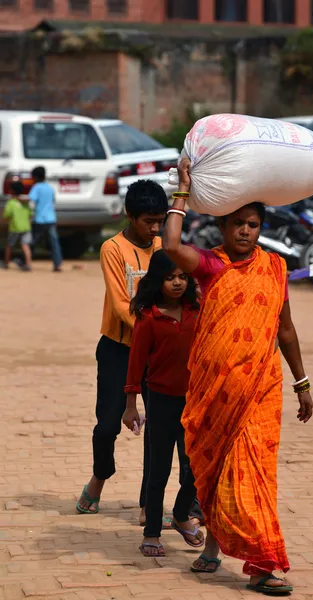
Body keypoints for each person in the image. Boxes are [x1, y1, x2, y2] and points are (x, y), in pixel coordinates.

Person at [162, 158, 313, 595]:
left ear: (260, 228)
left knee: (253, 474)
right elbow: (171, 244)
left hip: (260, 389)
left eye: (253, 224)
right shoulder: (212, 265)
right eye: (238, 224)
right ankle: (213, 547)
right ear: (224, 228)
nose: (246, 231)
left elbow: (285, 329)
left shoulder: (274, 269)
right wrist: (183, 190)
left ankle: (263, 564)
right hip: (216, 391)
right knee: (215, 471)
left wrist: (302, 382)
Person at [76, 180, 168, 516]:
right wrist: (157, 328)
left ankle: (149, 503)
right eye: (148, 221)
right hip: (118, 349)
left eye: (160, 220)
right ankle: (100, 476)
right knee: (107, 426)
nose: (154, 228)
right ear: (130, 215)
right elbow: (119, 304)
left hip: (157, 352)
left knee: (157, 427)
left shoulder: (164, 247)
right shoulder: (112, 249)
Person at [123, 249, 204, 557]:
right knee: (158, 470)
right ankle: (152, 532)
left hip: (194, 402)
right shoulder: (148, 318)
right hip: (159, 401)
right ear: (157, 281)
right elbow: (135, 363)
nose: (177, 283)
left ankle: (182, 515)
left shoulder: (198, 313)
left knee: (196, 465)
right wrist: (131, 404)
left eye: (183, 277)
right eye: (170, 278)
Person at [29, 166, 63, 272]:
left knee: (32, 241)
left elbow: (31, 203)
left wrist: (30, 215)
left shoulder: (36, 187)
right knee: (54, 242)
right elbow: (53, 202)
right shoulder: (49, 187)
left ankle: (26, 261)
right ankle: (57, 264)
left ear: (35, 177)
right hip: (51, 218)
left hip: (39, 219)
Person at [2, 180, 32, 271]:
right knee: (25, 245)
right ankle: (28, 264)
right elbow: (30, 214)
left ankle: (6, 263)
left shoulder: (10, 203)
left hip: (15, 227)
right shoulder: (25, 203)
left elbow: (6, 215)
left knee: (9, 245)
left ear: (11, 191)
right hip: (26, 227)